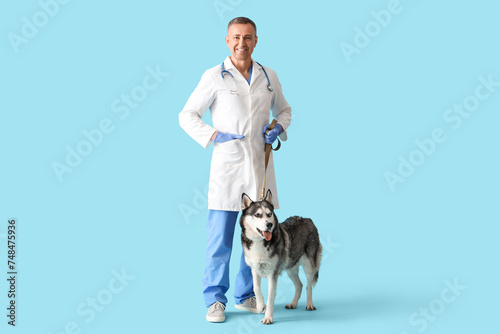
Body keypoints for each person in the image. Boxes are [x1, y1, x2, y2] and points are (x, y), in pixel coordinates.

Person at [179, 17, 291, 323]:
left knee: (256, 238)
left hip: (258, 168)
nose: (242, 43)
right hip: (227, 170)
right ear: (227, 41)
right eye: (236, 37)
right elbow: (187, 115)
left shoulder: (269, 76)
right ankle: (215, 299)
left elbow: (284, 109)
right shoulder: (214, 76)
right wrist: (214, 135)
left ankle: (247, 295)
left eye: (248, 37)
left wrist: (277, 126)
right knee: (220, 241)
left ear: (256, 41)